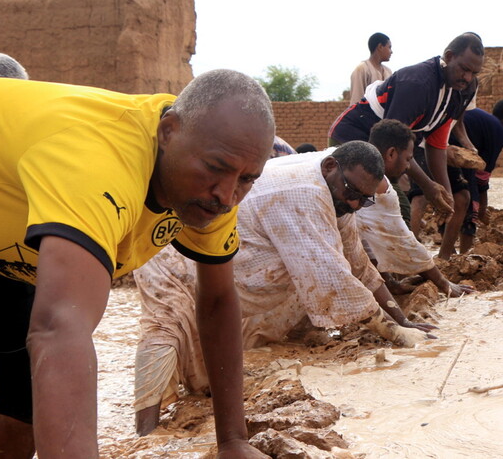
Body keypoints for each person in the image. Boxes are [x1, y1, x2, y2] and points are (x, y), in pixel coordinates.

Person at [0, 70, 275, 458]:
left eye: (247, 179)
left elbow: (218, 300)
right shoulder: (98, 162)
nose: (227, 195)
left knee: (24, 404)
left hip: (7, 258)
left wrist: (233, 441)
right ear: (168, 131)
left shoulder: (216, 186)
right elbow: (61, 326)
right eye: (216, 168)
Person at [133, 141, 434, 435]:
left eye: (364, 200)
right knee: (166, 327)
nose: (355, 204)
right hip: (173, 252)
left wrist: (401, 319)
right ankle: (145, 434)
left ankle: (196, 406)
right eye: (353, 194)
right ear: (331, 167)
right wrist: (393, 333)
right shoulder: (305, 193)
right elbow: (333, 278)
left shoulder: (338, 192)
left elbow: (356, 261)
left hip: (225, 254)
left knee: (207, 361)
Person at [329, 32, 484, 222]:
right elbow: (392, 140)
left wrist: (446, 193)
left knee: (390, 215)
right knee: (358, 209)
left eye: (474, 73)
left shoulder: (460, 91)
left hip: (389, 152)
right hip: (355, 138)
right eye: (464, 69)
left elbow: (436, 144)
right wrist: (428, 185)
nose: (468, 78)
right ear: (449, 56)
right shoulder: (417, 84)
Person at [359, 119, 473, 295]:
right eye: (408, 159)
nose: (407, 167)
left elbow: (364, 240)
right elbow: (404, 241)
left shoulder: (356, 163)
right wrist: (444, 284)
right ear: (391, 154)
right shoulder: (380, 187)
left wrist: (388, 283)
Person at [437, 100, 503, 258]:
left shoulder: (485, 122)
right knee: (470, 207)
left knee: (449, 202)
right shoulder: (499, 131)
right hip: (454, 150)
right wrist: (482, 209)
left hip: (438, 147)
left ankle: (448, 254)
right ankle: (463, 256)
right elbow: (482, 175)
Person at [349, 32, 393, 104]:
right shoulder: (362, 69)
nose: (391, 52)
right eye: (389, 47)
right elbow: (356, 101)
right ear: (380, 47)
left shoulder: (388, 71)